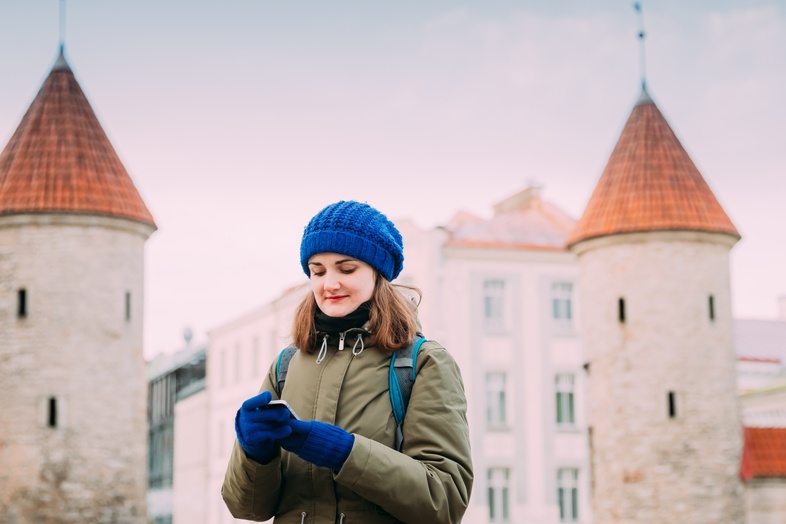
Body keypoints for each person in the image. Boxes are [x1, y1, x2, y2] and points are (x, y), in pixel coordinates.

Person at [222, 200, 473, 523]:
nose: (329, 284)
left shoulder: (422, 362)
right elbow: (247, 509)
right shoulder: (286, 366)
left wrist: (345, 453)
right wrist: (254, 453)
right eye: (318, 271)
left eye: (347, 268)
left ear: (377, 272)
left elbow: (445, 500)